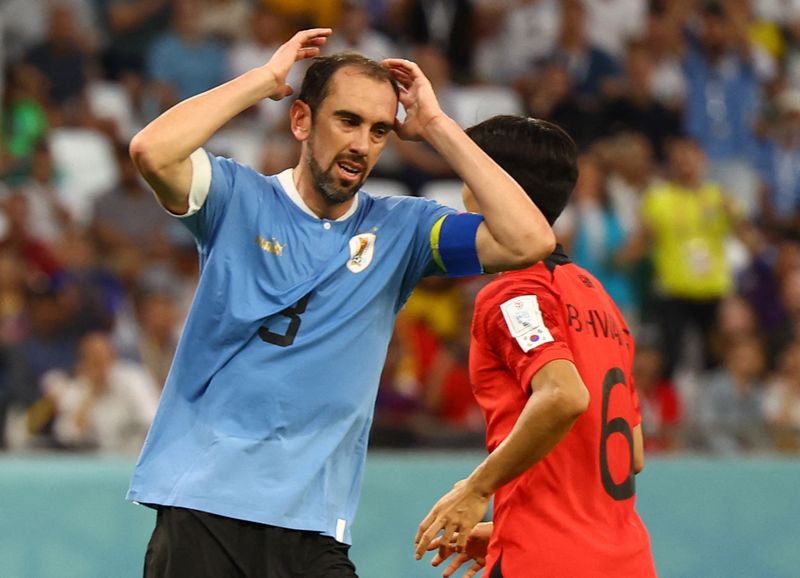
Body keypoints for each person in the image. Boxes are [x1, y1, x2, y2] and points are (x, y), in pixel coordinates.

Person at [126, 28, 556, 577]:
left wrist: (437, 127)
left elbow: (530, 241)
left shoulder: (403, 228)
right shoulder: (237, 197)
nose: (362, 144)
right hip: (206, 509)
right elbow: (151, 150)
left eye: (379, 131)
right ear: (302, 120)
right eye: (347, 121)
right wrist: (263, 81)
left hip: (314, 527)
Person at [414, 115, 656, 577]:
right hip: (627, 558)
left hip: (545, 558)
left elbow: (564, 396)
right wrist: (504, 523)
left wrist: (476, 489)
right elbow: (634, 453)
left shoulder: (515, 293)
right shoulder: (597, 296)